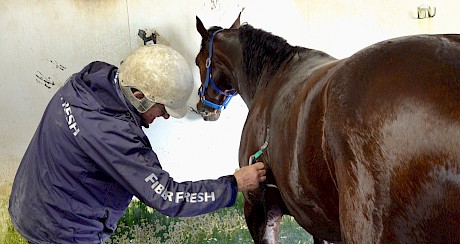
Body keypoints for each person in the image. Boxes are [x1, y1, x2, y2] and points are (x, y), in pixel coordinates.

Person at [8, 44, 267, 243]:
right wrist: (235, 185)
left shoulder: (89, 82)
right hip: (61, 232)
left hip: (30, 205)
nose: (165, 115)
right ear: (140, 96)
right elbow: (169, 197)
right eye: (162, 107)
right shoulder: (114, 136)